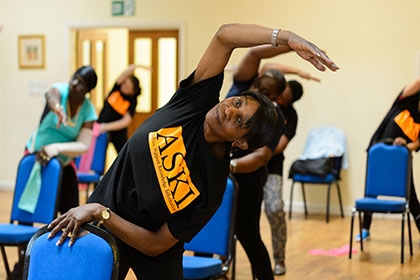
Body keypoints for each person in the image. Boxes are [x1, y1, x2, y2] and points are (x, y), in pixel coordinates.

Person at [47, 24, 339, 280]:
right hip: (103, 227)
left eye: (239, 121)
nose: (228, 110)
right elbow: (225, 36)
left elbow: (157, 244)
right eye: (236, 103)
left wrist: (101, 211)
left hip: (147, 247)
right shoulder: (194, 103)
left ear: (241, 143)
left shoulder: (213, 183)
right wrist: (286, 37)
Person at [226, 44, 320, 278]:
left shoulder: (278, 118)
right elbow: (260, 58)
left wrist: (229, 165)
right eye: (259, 85)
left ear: (277, 98)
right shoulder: (242, 93)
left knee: (255, 228)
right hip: (220, 178)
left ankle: (278, 261)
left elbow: (265, 155)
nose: (259, 91)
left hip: (253, 178)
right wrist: (291, 45)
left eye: (267, 92)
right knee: (210, 232)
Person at [7, 66, 99, 280]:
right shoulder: (59, 91)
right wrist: (57, 108)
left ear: (87, 91)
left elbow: (83, 144)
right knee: (27, 216)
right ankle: (22, 269)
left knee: (71, 218)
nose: (74, 84)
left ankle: (63, 267)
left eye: (81, 84)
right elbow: (51, 95)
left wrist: (56, 148)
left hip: (62, 164)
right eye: (74, 78)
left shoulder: (88, 110)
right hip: (35, 158)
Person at [356, 77, 420, 242]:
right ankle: (365, 230)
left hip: (401, 160)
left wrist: (405, 145)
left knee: (411, 196)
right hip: (378, 151)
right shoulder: (404, 102)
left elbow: (417, 144)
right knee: (371, 192)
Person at [97, 64, 143, 153]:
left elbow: (126, 121)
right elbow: (124, 74)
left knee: (123, 154)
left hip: (117, 132)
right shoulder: (116, 88)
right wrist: (137, 66)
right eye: (125, 83)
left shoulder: (132, 101)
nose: (124, 86)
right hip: (101, 128)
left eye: (128, 87)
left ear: (132, 91)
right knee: (98, 154)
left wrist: (106, 127)